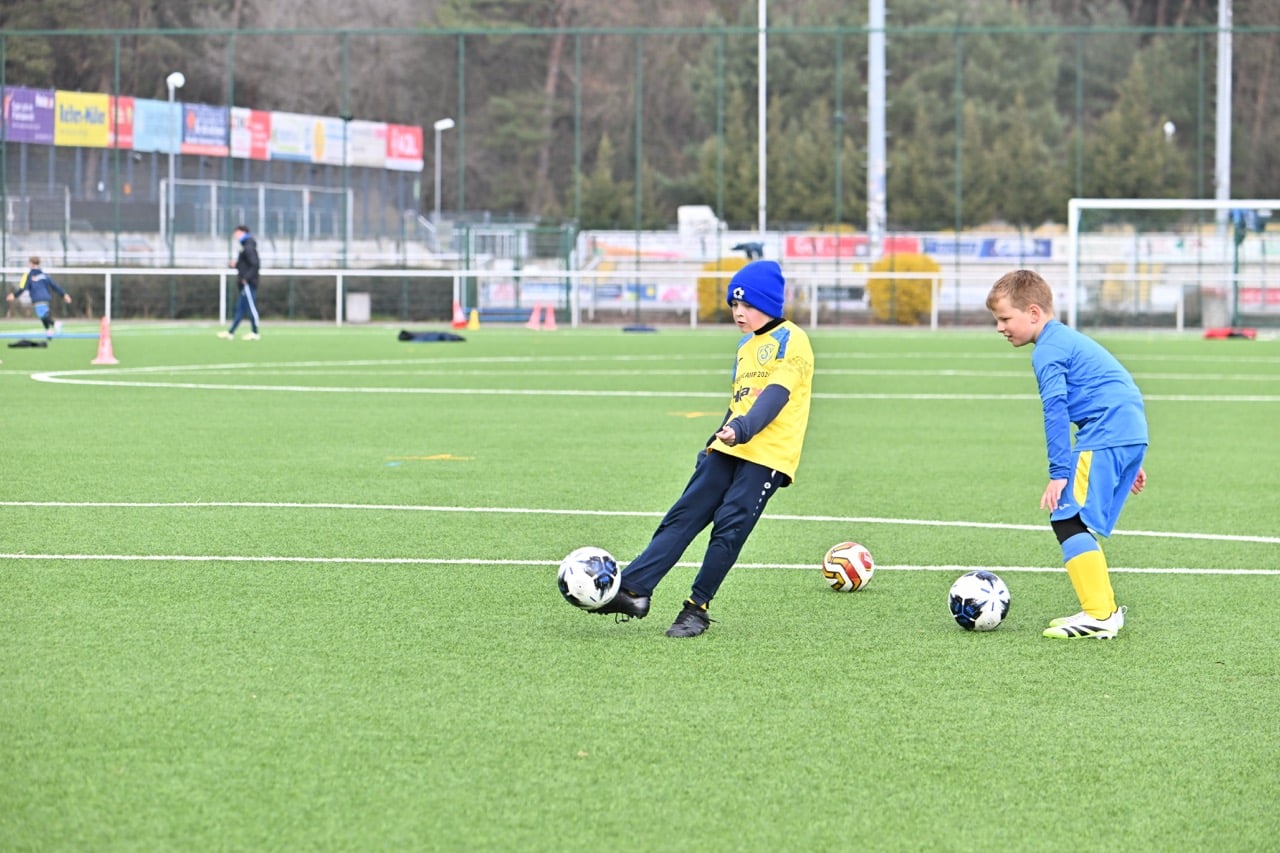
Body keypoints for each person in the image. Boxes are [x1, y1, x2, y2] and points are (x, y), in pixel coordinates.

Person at [593, 259, 814, 637]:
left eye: (747, 305)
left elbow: (775, 396)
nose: (738, 313)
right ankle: (634, 589)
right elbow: (739, 401)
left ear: (770, 304)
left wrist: (742, 429)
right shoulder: (745, 347)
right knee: (683, 515)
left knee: (729, 528)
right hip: (728, 446)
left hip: (767, 455)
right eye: (733, 305)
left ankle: (697, 608)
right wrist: (715, 438)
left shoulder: (792, 340)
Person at [986, 269, 1148, 640]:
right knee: (1071, 518)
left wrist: (1060, 472)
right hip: (1124, 432)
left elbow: (1055, 409)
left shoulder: (1048, 351)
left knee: (1066, 517)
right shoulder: (1065, 341)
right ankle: (1103, 609)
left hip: (1109, 434)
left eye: (1005, 318)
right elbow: (1115, 390)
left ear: (1033, 312)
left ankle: (1099, 614)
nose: (1000, 328)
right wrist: (1131, 456)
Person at [7, 257, 71, 339]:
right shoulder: (44, 275)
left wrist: (14, 295)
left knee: (43, 315)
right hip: (46, 297)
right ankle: (48, 332)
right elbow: (54, 286)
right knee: (44, 315)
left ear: (30, 263)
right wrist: (64, 294)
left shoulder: (28, 275)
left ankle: (55, 324)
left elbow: (22, 288)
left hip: (37, 298)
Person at [219, 225, 261, 340]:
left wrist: (246, 278)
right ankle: (231, 332)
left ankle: (255, 332)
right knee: (240, 308)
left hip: (248, 282)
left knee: (251, 307)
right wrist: (236, 265)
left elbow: (255, 264)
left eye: (237, 233)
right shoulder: (245, 246)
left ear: (243, 232)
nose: (235, 235)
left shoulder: (248, 247)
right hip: (244, 282)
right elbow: (246, 264)